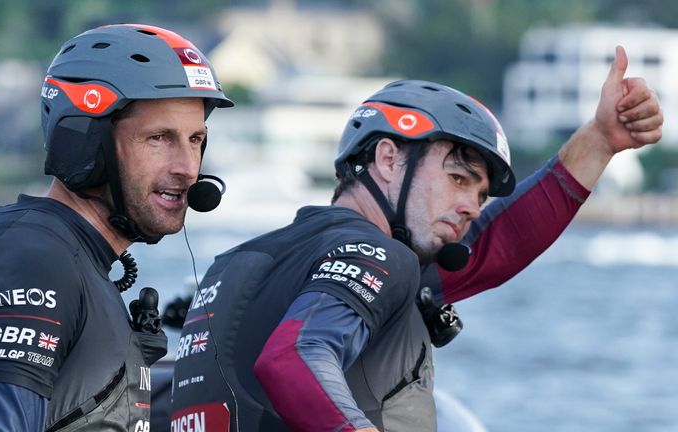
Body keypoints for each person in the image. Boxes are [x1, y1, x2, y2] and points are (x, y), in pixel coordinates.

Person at [166, 46, 661, 431]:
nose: (471, 205)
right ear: (387, 159)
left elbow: (497, 244)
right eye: (458, 177)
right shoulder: (378, 255)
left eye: (481, 193)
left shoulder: (241, 262)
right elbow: (294, 357)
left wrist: (600, 140)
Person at [0, 23, 233, 431]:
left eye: (195, 140)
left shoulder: (62, 258)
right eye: (159, 138)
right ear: (86, 145)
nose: (187, 168)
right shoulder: (34, 263)